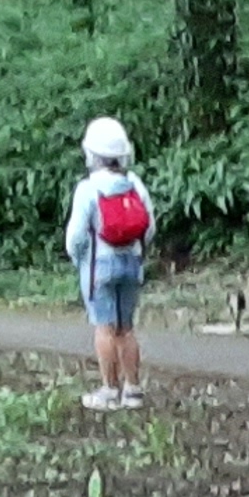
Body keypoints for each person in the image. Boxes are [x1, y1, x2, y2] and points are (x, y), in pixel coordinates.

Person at [61, 117, 154, 412]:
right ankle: (134, 390)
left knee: (104, 328)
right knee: (126, 328)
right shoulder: (134, 184)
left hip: (98, 265)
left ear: (92, 154)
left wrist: (79, 259)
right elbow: (149, 226)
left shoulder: (88, 188)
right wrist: (139, 252)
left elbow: (75, 236)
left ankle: (109, 390)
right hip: (131, 262)